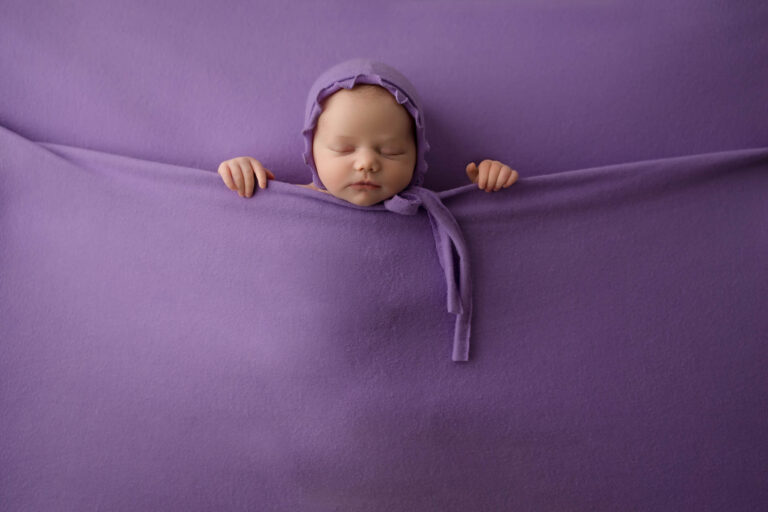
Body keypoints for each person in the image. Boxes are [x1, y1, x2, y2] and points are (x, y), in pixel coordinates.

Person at [215, 59, 519, 362]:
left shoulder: (428, 213)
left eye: (391, 151)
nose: (366, 164)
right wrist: (242, 172)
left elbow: (475, 235)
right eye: (345, 149)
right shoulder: (289, 204)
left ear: (417, 155)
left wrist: (488, 187)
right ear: (312, 151)